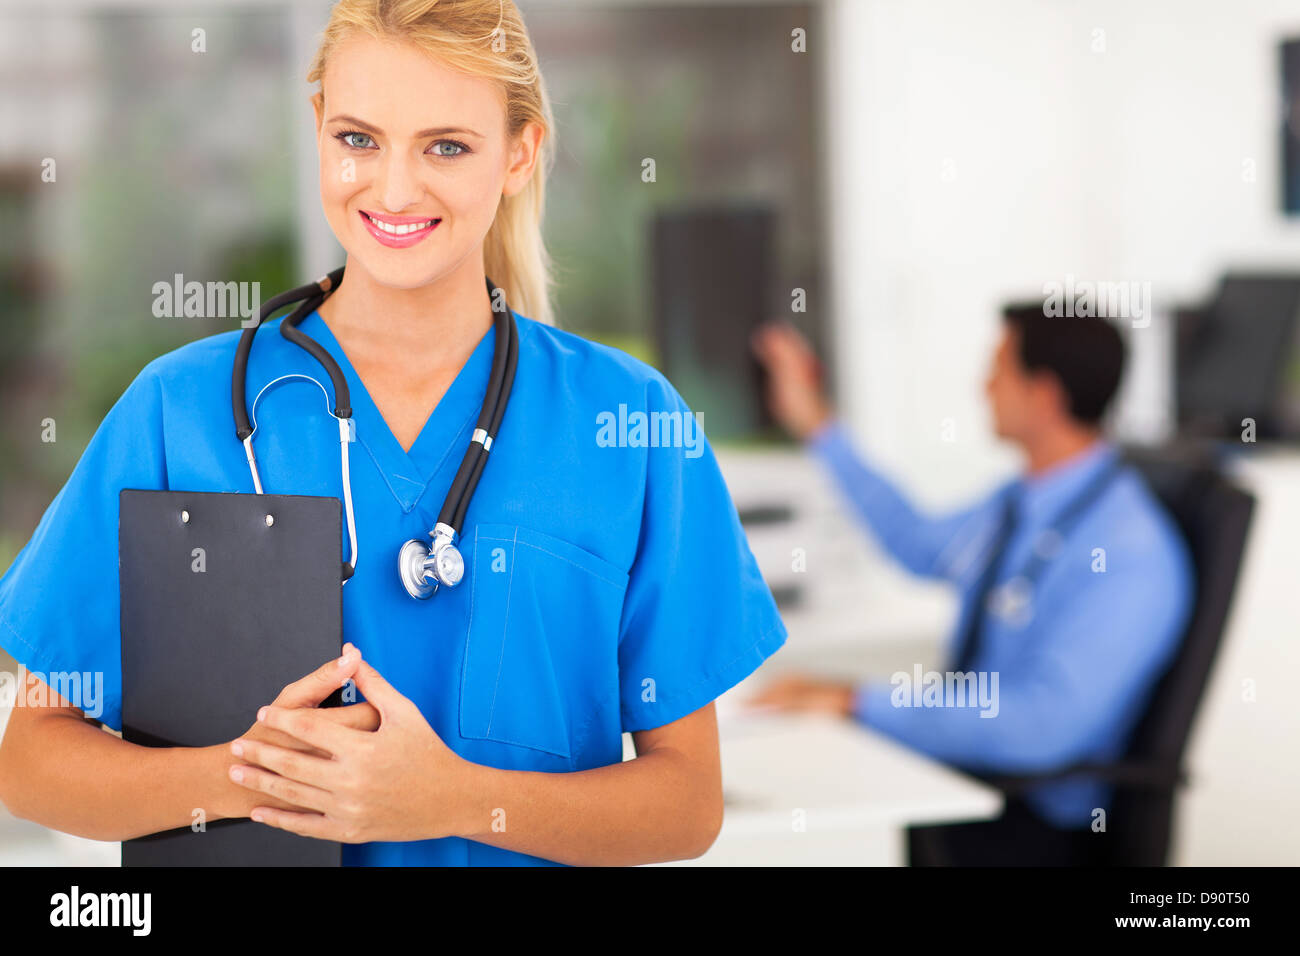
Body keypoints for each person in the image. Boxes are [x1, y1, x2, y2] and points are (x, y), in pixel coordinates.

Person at [0, 0, 786, 867]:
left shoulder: (628, 424)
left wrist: (447, 800)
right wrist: (264, 776)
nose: (395, 189)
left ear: (520, 153)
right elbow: (31, 761)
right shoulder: (178, 411)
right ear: (317, 130)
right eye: (358, 140)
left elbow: (686, 802)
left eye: (446, 146)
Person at [748, 304, 1194, 866]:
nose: (982, 386)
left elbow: (1040, 727)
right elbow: (918, 543)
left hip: (1031, 825)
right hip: (970, 784)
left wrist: (856, 701)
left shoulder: (1130, 553)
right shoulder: (1023, 503)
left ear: (1044, 394)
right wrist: (819, 426)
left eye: (998, 369)